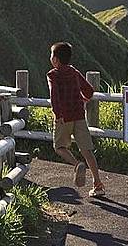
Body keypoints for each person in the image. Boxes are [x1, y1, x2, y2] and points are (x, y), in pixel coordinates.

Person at [47, 42, 105, 197]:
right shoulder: (74, 72)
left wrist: (58, 114)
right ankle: (98, 184)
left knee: (59, 147)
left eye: (52, 55)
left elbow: (55, 97)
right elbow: (89, 91)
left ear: (56, 60)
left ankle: (76, 164)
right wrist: (84, 98)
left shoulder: (53, 75)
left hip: (64, 117)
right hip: (79, 115)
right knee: (87, 150)